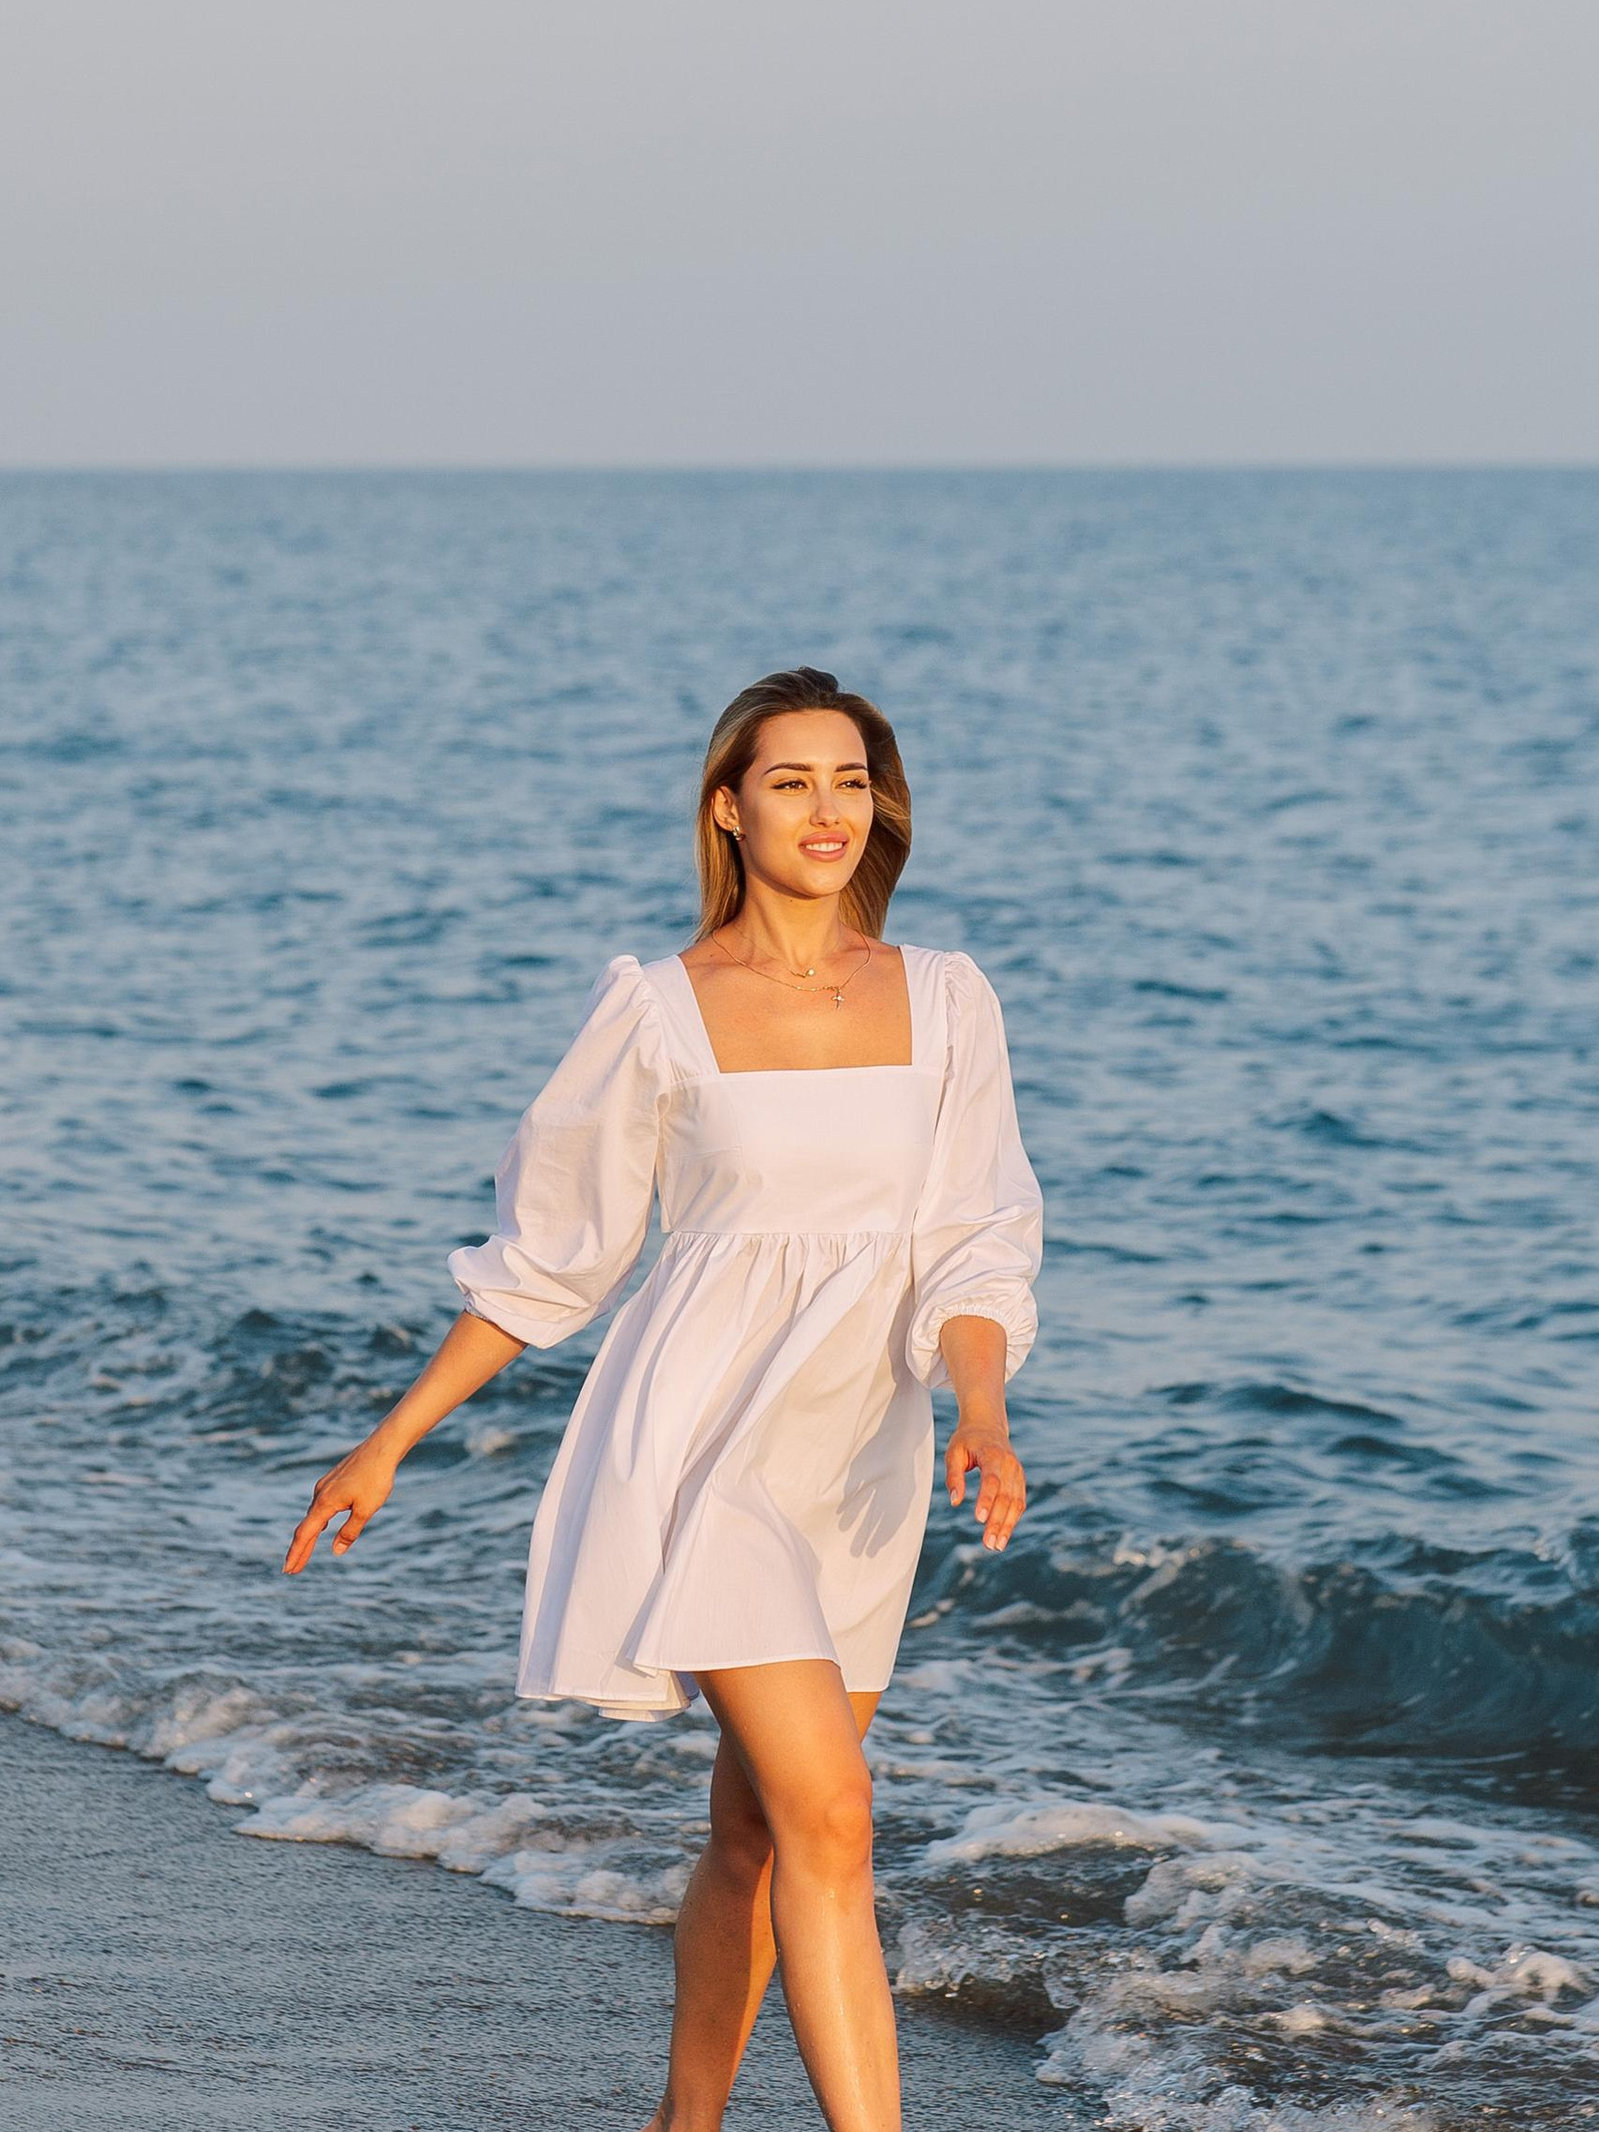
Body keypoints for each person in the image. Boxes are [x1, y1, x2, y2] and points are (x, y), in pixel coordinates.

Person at [286, 667, 1042, 2132]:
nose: (826, 810)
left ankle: (681, 2124)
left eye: (848, 781)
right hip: (703, 1450)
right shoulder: (657, 1009)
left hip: (863, 1459)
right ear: (727, 807)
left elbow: (975, 1237)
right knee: (833, 1815)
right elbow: (554, 1259)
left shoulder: (948, 998)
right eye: (789, 781)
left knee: (760, 1830)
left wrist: (984, 1415)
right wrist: (389, 1442)